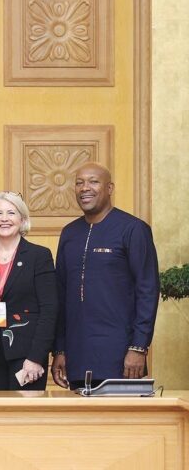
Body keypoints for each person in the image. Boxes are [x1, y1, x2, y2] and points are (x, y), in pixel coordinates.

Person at [52, 163, 159, 390]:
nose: (85, 188)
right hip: (76, 355)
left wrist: (139, 347)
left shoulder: (133, 229)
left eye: (93, 181)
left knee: (117, 424)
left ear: (109, 188)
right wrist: (59, 350)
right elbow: (60, 295)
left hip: (121, 357)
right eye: (79, 183)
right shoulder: (69, 233)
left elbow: (147, 290)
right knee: (80, 425)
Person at [0, 192, 57, 390]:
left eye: (11, 212)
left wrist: (36, 357)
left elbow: (49, 310)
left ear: (22, 219)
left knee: (25, 418)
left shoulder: (39, 256)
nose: (5, 219)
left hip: (27, 356)